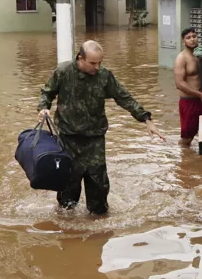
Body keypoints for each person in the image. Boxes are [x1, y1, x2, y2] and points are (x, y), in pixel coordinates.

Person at [38, 40, 165, 215]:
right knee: (68, 186)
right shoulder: (63, 72)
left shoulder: (104, 75)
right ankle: (67, 228)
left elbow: (123, 97)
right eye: (92, 63)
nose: (97, 67)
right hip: (68, 138)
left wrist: (146, 119)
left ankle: (99, 226)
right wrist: (43, 107)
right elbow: (47, 92)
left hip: (95, 139)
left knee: (98, 185)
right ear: (80, 58)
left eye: (100, 62)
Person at [174, 28, 202, 147]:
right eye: (188, 38)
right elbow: (179, 83)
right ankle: (184, 160)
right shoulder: (181, 58)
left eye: (194, 36)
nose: (192, 39)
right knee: (187, 138)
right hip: (189, 102)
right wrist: (200, 95)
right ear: (183, 42)